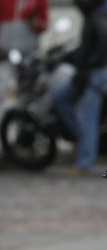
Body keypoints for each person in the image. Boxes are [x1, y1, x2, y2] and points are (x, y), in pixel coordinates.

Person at [0, 0, 49, 151]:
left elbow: (44, 22)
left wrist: (37, 25)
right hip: (5, 52)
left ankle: (23, 133)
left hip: (28, 51)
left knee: (27, 94)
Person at [49, 0, 107, 176]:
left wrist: (89, 65)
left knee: (87, 116)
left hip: (95, 73)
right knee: (60, 98)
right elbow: (87, 46)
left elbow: (102, 45)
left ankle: (85, 163)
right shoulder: (94, 14)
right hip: (90, 71)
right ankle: (83, 141)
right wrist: (69, 57)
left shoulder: (98, 15)